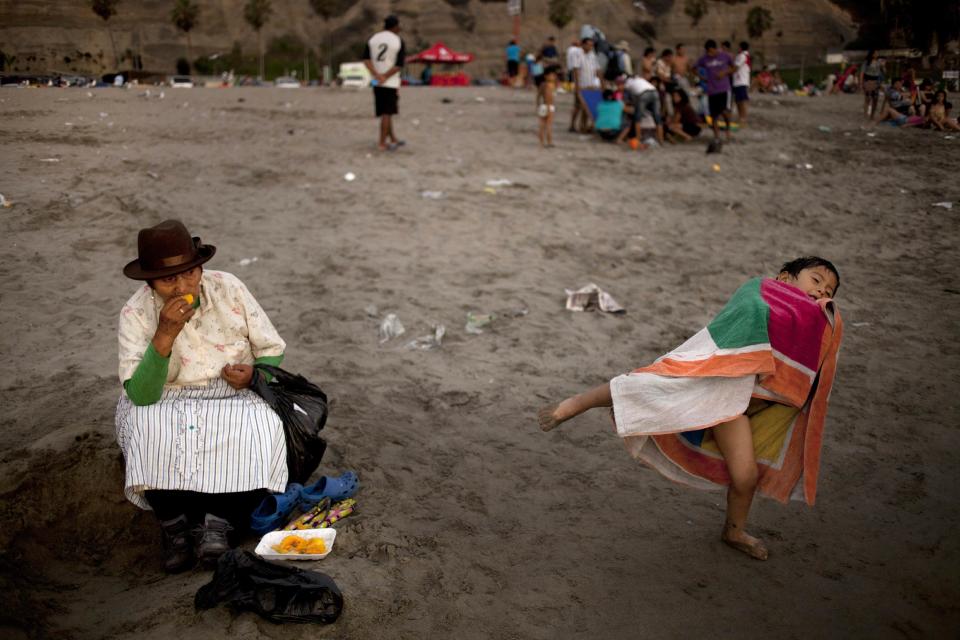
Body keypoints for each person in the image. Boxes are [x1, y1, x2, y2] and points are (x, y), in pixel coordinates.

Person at [538, 257, 843, 561]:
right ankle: (575, 404)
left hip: (741, 406)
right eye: (816, 280)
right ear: (785, 278)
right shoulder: (760, 290)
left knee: (746, 477)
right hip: (717, 383)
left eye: (829, 290)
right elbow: (745, 311)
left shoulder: (815, 326)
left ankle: (734, 531)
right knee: (649, 385)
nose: (821, 291)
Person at [116, 219, 288, 572]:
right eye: (168, 280)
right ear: (150, 283)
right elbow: (142, 394)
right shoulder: (135, 313)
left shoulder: (229, 288)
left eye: (189, 273)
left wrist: (256, 374)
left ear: (200, 267)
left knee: (263, 425)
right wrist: (165, 333)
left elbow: (270, 349)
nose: (181, 286)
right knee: (143, 424)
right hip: (165, 397)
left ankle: (218, 523)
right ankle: (174, 525)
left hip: (232, 392)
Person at [364, 15, 406, 151]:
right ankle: (382, 143)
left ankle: (393, 138)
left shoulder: (373, 38)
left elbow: (366, 60)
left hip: (376, 81)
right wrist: (385, 76)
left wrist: (377, 75)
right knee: (387, 112)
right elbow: (399, 65)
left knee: (386, 111)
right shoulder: (398, 41)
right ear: (395, 27)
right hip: (390, 82)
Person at [696, 39, 736, 142]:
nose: (709, 54)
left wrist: (725, 72)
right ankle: (717, 136)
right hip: (711, 90)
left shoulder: (725, 56)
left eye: (710, 51)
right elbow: (694, 68)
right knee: (713, 115)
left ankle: (727, 130)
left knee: (724, 111)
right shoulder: (704, 59)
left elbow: (734, 68)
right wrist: (702, 77)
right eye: (707, 52)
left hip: (723, 89)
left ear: (714, 49)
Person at [621, 72, 663, 145]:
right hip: (655, 92)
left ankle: (638, 140)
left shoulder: (628, 82)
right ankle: (661, 141)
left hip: (643, 94)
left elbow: (628, 96)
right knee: (657, 118)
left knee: (638, 118)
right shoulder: (639, 79)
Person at [570, 37, 601, 133]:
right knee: (578, 106)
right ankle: (572, 125)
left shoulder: (592, 55)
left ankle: (583, 126)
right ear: (583, 44)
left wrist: (601, 83)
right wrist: (578, 86)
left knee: (587, 107)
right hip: (581, 85)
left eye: (592, 45)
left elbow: (597, 69)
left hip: (591, 85)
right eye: (588, 44)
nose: (590, 47)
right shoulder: (577, 54)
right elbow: (576, 70)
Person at [537, 65, 559, 147]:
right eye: (552, 75)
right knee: (548, 126)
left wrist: (538, 105)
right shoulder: (550, 86)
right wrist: (549, 107)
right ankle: (549, 141)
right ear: (546, 76)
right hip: (549, 106)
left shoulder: (542, 85)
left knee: (542, 125)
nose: (554, 77)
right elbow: (548, 97)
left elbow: (538, 96)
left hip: (542, 106)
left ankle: (541, 142)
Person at [859, 49, 882, 118]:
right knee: (867, 98)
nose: (877, 54)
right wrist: (861, 83)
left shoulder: (878, 62)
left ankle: (872, 115)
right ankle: (865, 114)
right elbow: (862, 72)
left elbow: (881, 72)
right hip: (868, 80)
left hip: (876, 81)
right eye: (875, 53)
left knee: (875, 99)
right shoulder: (867, 62)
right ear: (872, 54)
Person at [732, 41, 751, 124]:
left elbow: (736, 67)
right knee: (738, 101)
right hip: (737, 81)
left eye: (738, 46)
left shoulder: (742, 56)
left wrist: (725, 72)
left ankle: (743, 118)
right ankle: (741, 117)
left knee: (742, 101)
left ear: (741, 47)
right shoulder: (742, 55)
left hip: (741, 81)